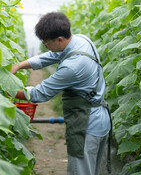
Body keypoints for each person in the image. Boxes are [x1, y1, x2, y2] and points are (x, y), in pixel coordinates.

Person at [11, 12, 111, 175]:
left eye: (46, 43)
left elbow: (40, 93)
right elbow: (50, 56)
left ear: (59, 40)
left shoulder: (73, 67)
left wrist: (7, 89)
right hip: (99, 119)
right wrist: (19, 65)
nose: (45, 46)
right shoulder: (81, 40)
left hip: (87, 125)